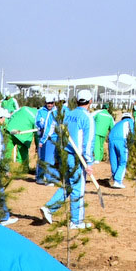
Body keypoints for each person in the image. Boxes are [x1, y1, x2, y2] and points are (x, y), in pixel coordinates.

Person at [42, 89, 95, 230]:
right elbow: (88, 142)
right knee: (78, 188)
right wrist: (89, 162)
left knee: (68, 186)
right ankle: (76, 221)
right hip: (78, 158)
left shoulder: (68, 115)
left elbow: (60, 135)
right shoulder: (87, 117)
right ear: (90, 101)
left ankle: (49, 208)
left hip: (66, 154)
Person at [35, 93, 58, 184]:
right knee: (41, 157)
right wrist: (41, 125)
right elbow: (36, 122)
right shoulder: (40, 111)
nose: (50, 105)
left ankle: (51, 178)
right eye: (48, 103)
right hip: (42, 137)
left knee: (51, 158)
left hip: (52, 138)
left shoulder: (56, 111)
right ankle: (39, 177)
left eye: (51, 103)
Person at [107, 111, 133, 188]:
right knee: (123, 161)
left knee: (114, 160)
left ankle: (115, 178)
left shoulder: (118, 123)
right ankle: (118, 181)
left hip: (111, 140)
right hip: (122, 141)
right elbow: (132, 133)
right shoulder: (130, 121)